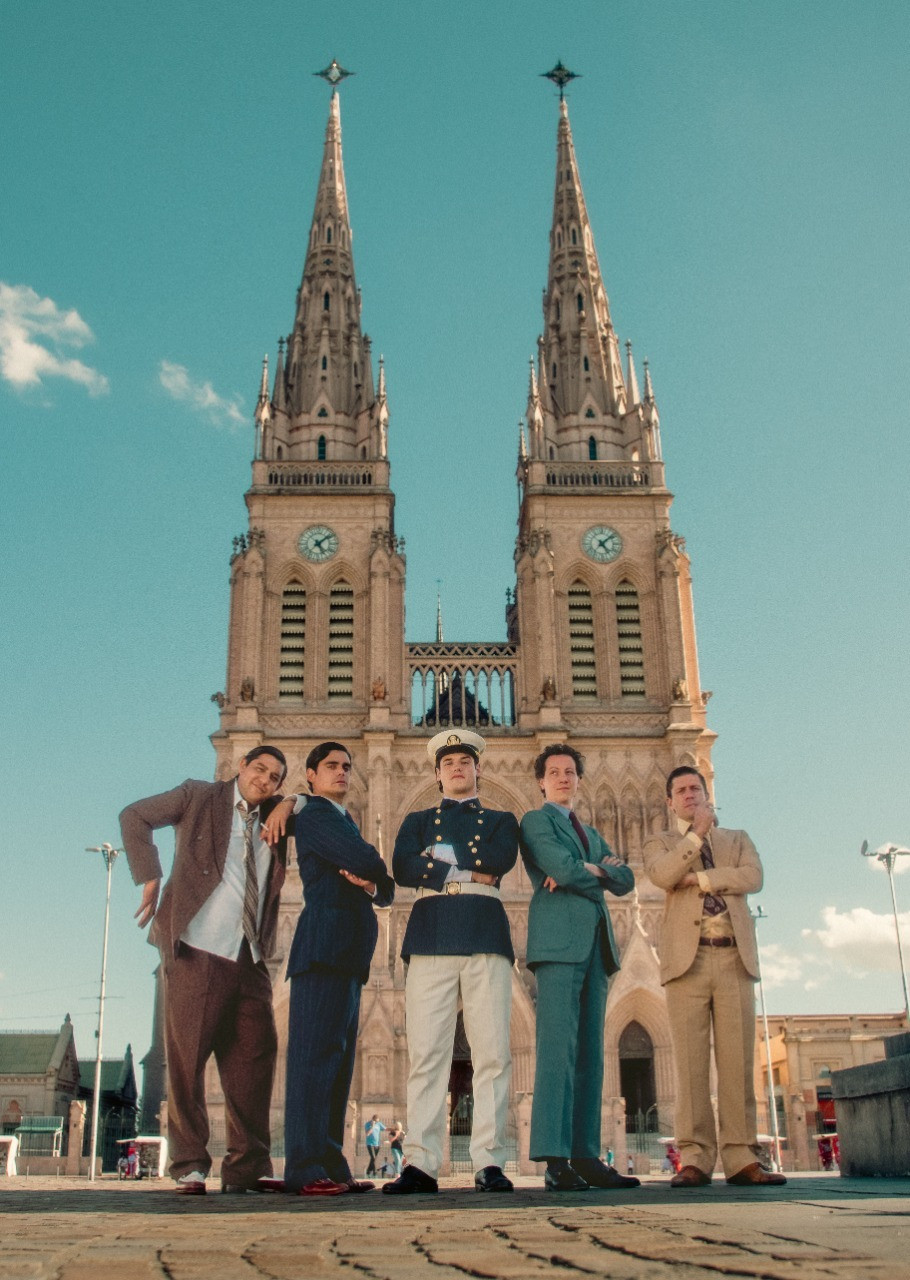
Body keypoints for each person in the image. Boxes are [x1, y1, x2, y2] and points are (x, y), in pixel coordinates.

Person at [119, 746, 293, 1194]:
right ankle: (190, 1165)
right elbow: (134, 816)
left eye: (275, 777)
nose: (264, 780)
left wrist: (292, 801)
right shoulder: (197, 796)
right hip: (197, 946)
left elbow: (322, 801)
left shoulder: (278, 813)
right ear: (241, 766)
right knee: (187, 1058)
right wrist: (150, 875)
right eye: (259, 769)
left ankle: (248, 1167)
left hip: (250, 952)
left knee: (256, 1057)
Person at [383, 730, 519, 1195]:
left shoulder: (502, 820)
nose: (457, 768)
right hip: (432, 933)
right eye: (448, 763)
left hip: (484, 932)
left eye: (465, 761)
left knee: (493, 1054)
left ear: (479, 769)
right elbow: (402, 867)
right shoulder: (417, 820)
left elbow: (500, 860)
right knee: (426, 1055)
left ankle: (489, 1162)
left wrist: (438, 862)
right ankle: (421, 1163)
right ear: (437, 774)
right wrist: (468, 868)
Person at [643, 766, 786, 1188]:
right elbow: (664, 875)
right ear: (669, 802)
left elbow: (753, 877)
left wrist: (701, 879)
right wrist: (696, 837)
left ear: (708, 795)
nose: (689, 795)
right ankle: (694, 1158)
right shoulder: (659, 842)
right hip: (686, 961)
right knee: (688, 1064)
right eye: (681, 791)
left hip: (733, 958)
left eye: (695, 788)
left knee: (738, 1062)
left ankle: (742, 1157)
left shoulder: (738, 839)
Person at [271, 741, 395, 1197]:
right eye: (331, 766)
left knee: (337, 1063)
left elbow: (385, 889)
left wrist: (375, 880)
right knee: (312, 1061)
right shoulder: (316, 815)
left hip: (348, 954)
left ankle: (331, 1163)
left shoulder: (342, 819)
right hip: (323, 950)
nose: (341, 771)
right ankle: (305, 1169)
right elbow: (370, 865)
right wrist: (373, 870)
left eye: (346, 766)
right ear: (310, 775)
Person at [519, 744, 640, 1192]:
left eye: (570, 771)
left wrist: (588, 870)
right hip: (557, 944)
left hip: (596, 946)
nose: (563, 778)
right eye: (554, 772)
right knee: (556, 1051)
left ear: (579, 779)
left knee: (591, 1053)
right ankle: (555, 1159)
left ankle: (587, 1156)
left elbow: (626, 879)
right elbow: (562, 869)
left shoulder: (590, 832)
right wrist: (595, 872)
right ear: (541, 781)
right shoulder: (535, 822)